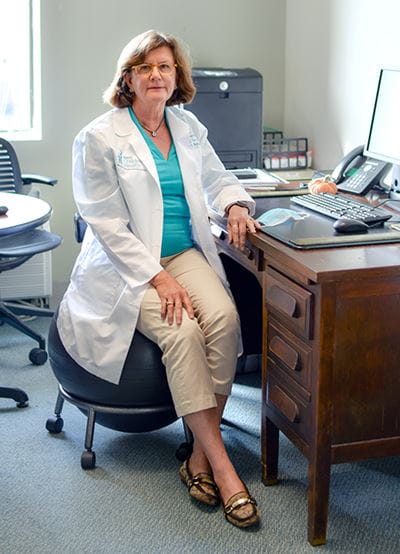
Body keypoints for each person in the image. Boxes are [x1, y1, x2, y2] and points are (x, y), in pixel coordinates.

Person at [57, 29, 262, 528]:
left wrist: (234, 203)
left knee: (224, 319)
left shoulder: (188, 127)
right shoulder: (100, 136)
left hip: (183, 253)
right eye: (145, 67)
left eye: (165, 67)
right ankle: (223, 466)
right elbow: (104, 223)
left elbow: (217, 178)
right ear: (127, 77)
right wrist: (156, 278)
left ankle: (196, 459)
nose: (156, 75)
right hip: (124, 267)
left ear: (177, 77)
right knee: (183, 331)